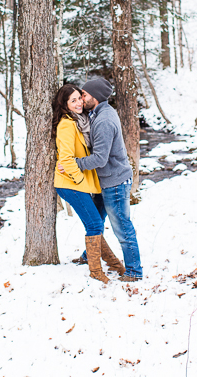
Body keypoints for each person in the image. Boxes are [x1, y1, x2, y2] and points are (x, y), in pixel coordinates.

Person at [65, 78, 143, 282]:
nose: (82, 98)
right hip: (105, 181)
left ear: (96, 97)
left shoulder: (104, 121)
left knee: (122, 227)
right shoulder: (97, 114)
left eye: (85, 95)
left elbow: (99, 158)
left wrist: (74, 163)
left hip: (114, 183)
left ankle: (134, 271)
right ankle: (88, 254)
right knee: (95, 221)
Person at [53, 84, 126, 284]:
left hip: (84, 183)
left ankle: (111, 264)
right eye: (73, 100)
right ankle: (96, 270)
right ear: (65, 105)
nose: (79, 103)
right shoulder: (67, 124)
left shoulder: (84, 121)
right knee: (94, 224)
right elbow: (66, 159)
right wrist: (78, 180)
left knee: (96, 221)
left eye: (79, 98)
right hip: (71, 183)